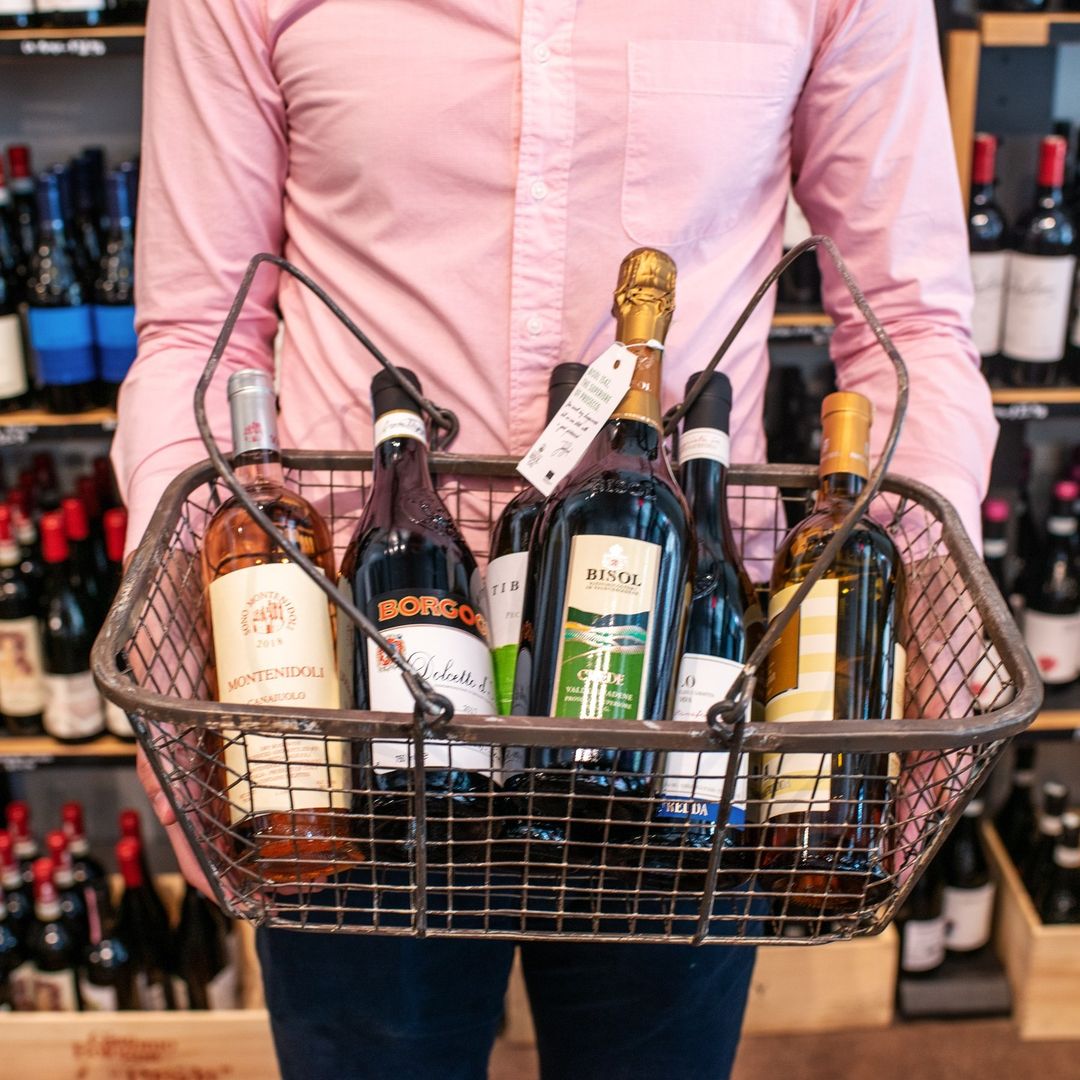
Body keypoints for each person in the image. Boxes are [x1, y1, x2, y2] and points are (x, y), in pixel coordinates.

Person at [114, 2, 997, 1078]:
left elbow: (910, 324)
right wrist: (173, 607)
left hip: (683, 692)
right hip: (346, 686)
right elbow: (199, 326)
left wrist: (922, 608)